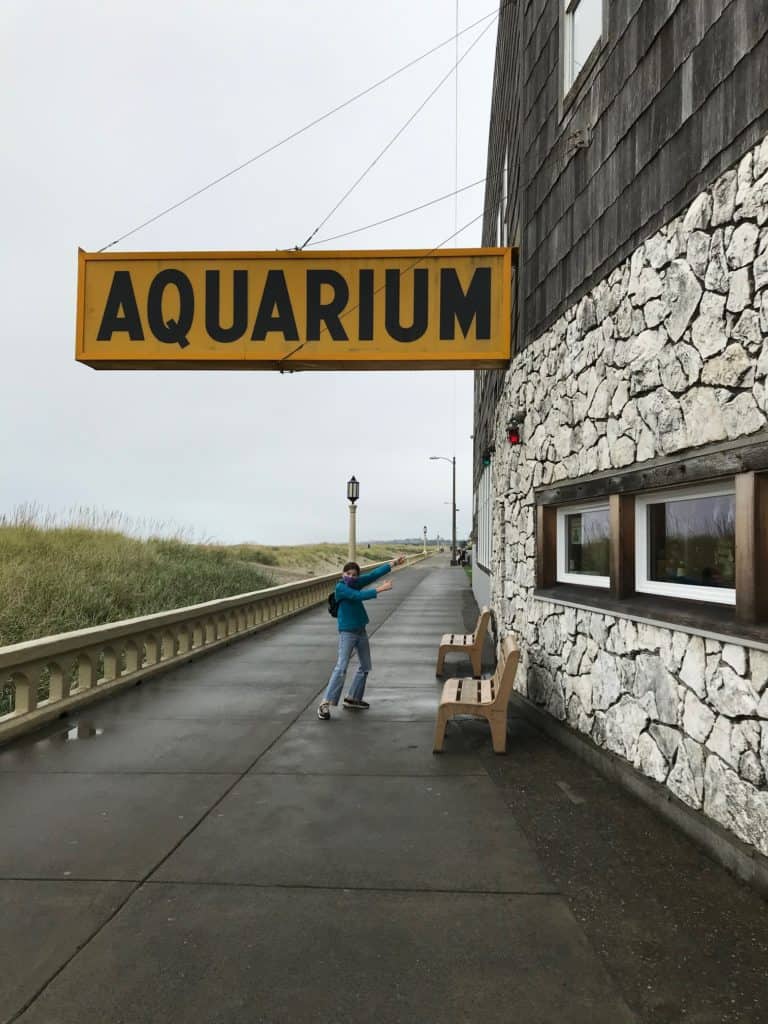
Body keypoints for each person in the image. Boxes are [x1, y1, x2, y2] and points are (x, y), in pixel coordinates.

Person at [317, 555, 405, 720]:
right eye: (348, 573)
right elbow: (357, 596)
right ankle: (325, 703)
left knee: (365, 666)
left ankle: (353, 698)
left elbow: (373, 575)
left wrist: (393, 563)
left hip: (361, 630)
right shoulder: (341, 588)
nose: (351, 577)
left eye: (354, 574)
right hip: (347, 632)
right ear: (343, 574)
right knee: (341, 667)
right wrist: (380, 589)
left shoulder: (356, 583)